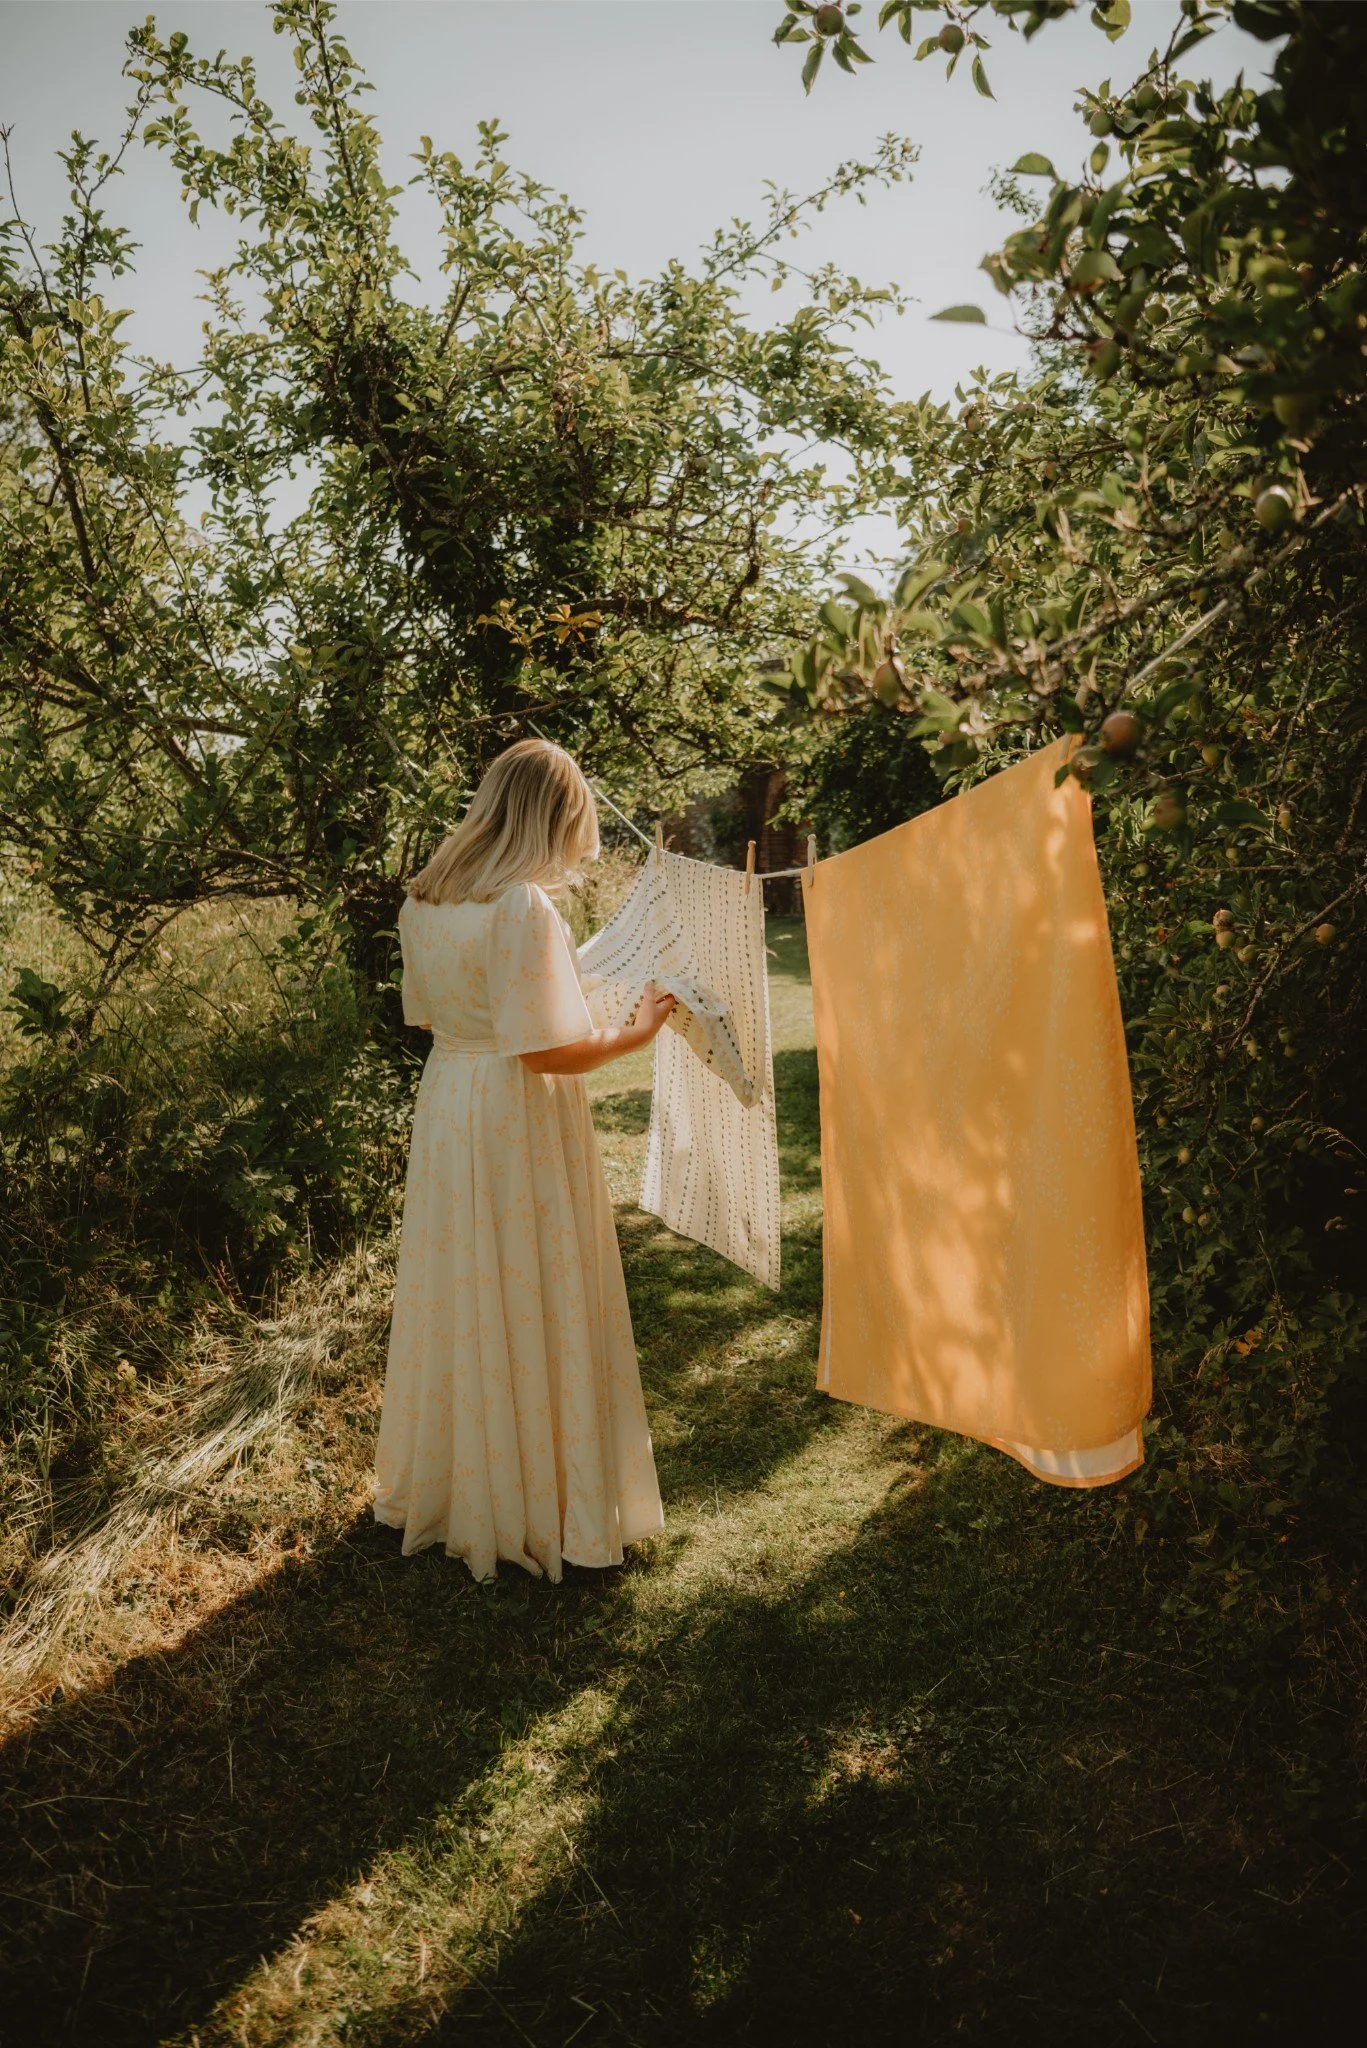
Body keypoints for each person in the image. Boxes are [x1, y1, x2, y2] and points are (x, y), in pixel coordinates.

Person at [373, 739, 675, 1583]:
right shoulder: (522, 906)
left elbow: (432, 1017)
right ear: (556, 816)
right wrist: (636, 1034)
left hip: (449, 1101)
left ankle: (461, 1486)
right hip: (515, 1113)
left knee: (463, 1286)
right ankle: (541, 1503)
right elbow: (546, 1053)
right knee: (532, 1282)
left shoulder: (424, 900)